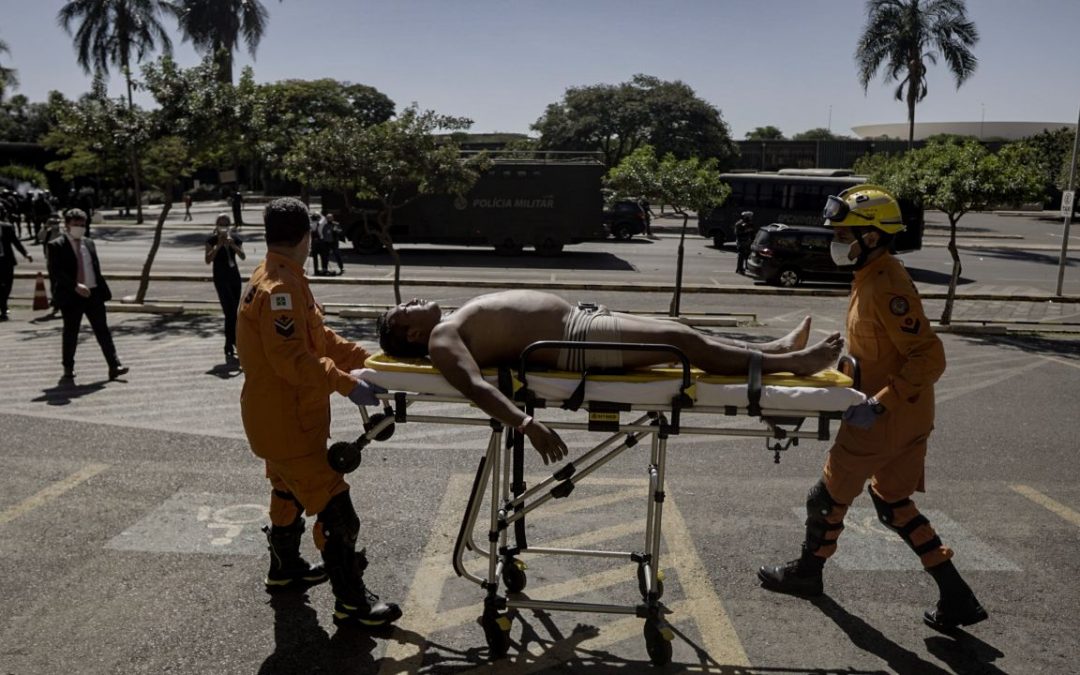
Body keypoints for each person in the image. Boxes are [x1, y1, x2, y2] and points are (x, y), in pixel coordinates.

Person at [757, 185, 987, 631]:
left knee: (824, 499)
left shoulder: (887, 284)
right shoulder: (872, 274)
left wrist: (879, 405)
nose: (836, 242)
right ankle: (957, 596)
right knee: (892, 503)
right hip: (907, 415)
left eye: (845, 234)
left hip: (884, 418)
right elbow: (881, 351)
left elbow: (929, 357)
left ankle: (807, 574)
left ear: (875, 236)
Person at [377, 289, 844, 465]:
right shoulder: (441, 339)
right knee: (680, 343)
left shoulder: (445, 325)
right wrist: (526, 423)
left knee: (680, 335)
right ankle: (792, 364)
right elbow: (475, 386)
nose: (413, 300)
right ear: (412, 332)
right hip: (577, 339)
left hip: (579, 325)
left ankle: (773, 352)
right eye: (405, 310)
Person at [237, 197, 401, 627]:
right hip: (288, 423)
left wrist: (373, 361)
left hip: (279, 420)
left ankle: (284, 570)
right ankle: (352, 603)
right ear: (307, 237)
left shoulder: (278, 277)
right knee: (336, 509)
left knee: (286, 493)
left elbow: (320, 339)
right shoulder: (281, 288)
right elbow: (292, 359)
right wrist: (348, 384)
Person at [46, 208, 128, 383]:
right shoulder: (56, 245)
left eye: (82, 225)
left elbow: (95, 268)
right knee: (71, 332)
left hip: (93, 293)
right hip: (71, 296)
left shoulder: (89, 243)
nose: (80, 228)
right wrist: (75, 286)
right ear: (67, 224)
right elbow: (56, 272)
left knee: (102, 331)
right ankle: (68, 366)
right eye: (76, 224)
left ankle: (114, 365)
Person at [205, 214, 246, 362]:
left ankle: (231, 342)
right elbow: (208, 260)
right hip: (221, 278)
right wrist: (218, 247)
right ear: (216, 225)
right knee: (229, 311)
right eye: (220, 224)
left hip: (234, 277)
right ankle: (230, 342)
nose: (223, 227)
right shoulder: (212, 240)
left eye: (225, 224)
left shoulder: (234, 238)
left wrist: (232, 245)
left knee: (235, 311)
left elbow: (242, 256)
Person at [1, 206, 33, 321]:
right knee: (5, 285)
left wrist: (25, 253)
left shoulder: (7, 227)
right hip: (5, 262)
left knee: (7, 284)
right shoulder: (7, 226)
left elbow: (15, 242)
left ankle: (3, 305)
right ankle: (3, 307)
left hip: (6, 260)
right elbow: (16, 242)